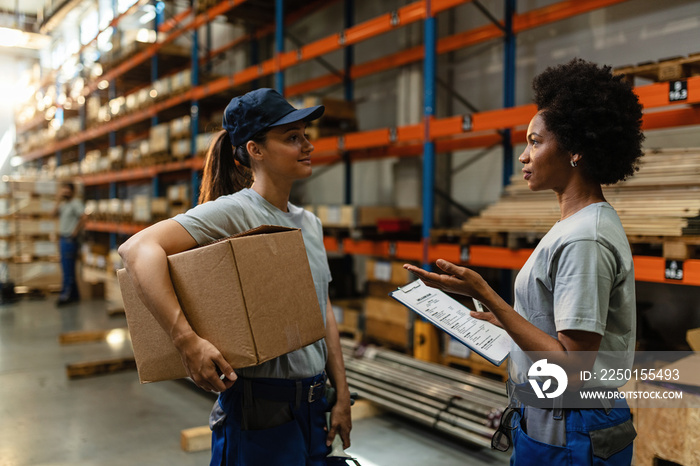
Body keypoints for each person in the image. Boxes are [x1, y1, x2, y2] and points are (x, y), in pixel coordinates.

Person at [405, 58, 644, 465]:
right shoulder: (576, 225)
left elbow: (572, 364)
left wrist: (486, 293)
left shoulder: (586, 236)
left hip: (572, 424)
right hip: (555, 417)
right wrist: (502, 321)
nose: (523, 156)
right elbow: (555, 330)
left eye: (535, 142)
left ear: (575, 150)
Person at [118, 88, 352, 466]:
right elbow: (137, 250)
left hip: (314, 409)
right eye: (292, 138)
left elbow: (322, 311)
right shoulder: (234, 213)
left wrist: (342, 395)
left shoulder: (310, 224)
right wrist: (187, 341)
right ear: (255, 150)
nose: (306, 145)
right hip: (259, 413)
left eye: (305, 135)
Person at [54, 182, 86, 306]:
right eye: (64, 190)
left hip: (69, 239)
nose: (65, 192)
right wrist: (58, 199)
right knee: (67, 267)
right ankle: (75, 295)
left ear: (72, 191)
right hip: (63, 238)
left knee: (68, 268)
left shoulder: (75, 204)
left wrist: (75, 231)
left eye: (67, 190)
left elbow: (84, 217)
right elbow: (52, 214)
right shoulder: (63, 204)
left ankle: (66, 295)